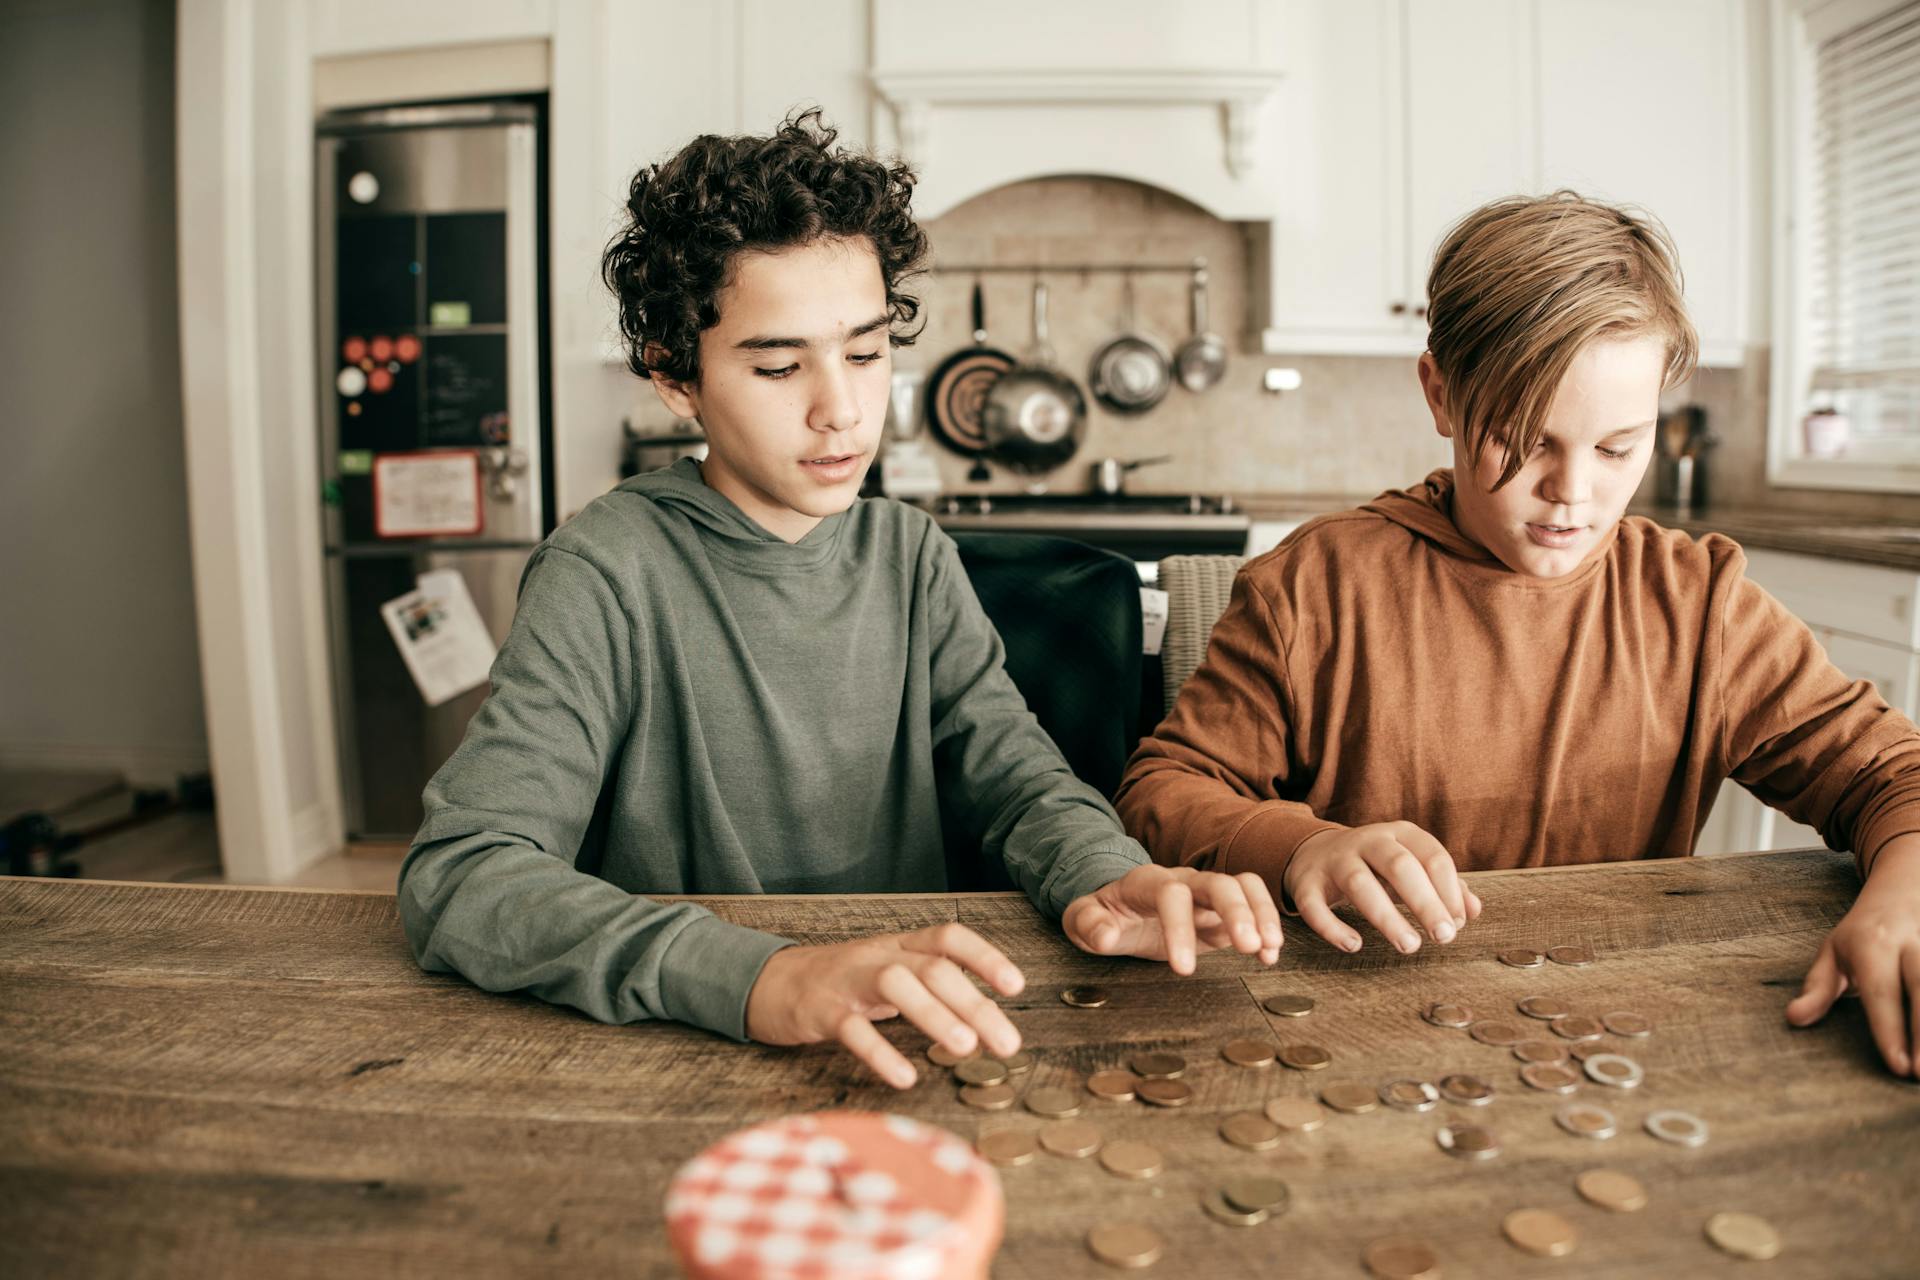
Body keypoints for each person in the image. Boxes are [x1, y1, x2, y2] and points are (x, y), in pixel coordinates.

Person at [397, 110, 1283, 1089]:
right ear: (675, 377)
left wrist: (1104, 871)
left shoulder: (910, 555)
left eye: (864, 352)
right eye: (779, 366)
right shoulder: (603, 571)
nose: (843, 409)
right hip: (684, 1048)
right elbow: (465, 872)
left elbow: (1016, 774)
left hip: (912, 1030)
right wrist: (760, 973)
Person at [1116, 191, 1920, 1077]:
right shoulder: (1315, 587)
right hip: (1344, 1039)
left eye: (1618, 448)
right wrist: (1304, 846)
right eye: (1524, 440)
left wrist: (1903, 896)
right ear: (1442, 395)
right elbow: (1164, 790)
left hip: (1605, 1032)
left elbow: (1892, 773)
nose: (1572, 492)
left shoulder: (1701, 607)